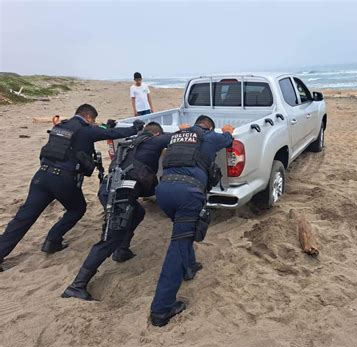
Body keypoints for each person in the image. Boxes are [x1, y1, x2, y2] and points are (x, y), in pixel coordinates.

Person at [0, 104, 144, 272]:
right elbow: (111, 134)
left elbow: (98, 130)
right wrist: (136, 127)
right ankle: (52, 240)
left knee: (24, 217)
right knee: (77, 209)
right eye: (93, 121)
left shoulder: (61, 126)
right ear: (89, 118)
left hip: (41, 176)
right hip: (63, 180)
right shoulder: (86, 130)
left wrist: (105, 125)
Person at [62, 122, 171, 301]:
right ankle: (77, 285)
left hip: (108, 191)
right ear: (157, 134)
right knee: (109, 239)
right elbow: (176, 138)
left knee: (138, 213)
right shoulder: (154, 141)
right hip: (120, 196)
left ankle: (122, 251)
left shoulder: (128, 142)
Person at [150, 115, 234, 327]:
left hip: (163, 191)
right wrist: (227, 130)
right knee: (178, 244)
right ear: (208, 128)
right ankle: (161, 309)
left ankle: (190, 267)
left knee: (182, 233)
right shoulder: (210, 137)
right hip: (188, 192)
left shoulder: (178, 136)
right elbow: (228, 140)